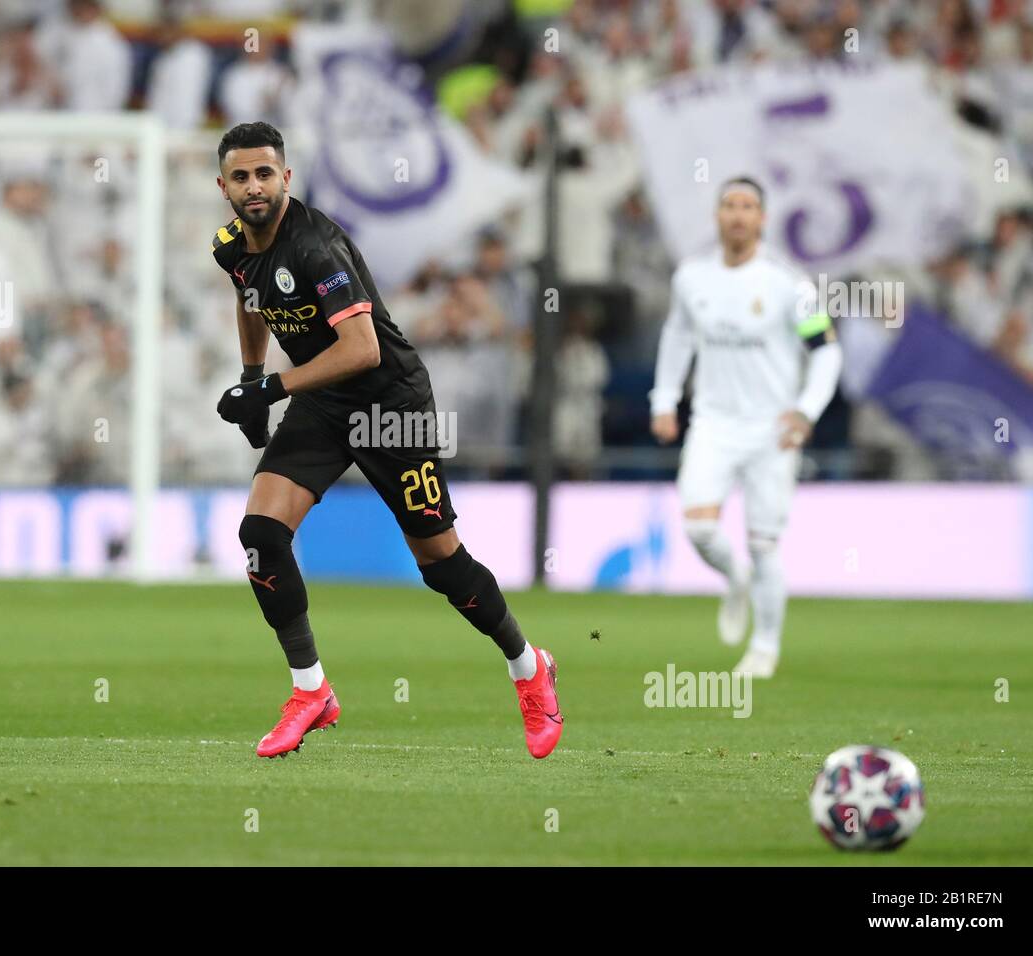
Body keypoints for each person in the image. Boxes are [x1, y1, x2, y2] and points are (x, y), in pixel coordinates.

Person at [209, 122, 562, 759]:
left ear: (286, 178)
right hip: (322, 402)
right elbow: (251, 297)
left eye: (266, 174)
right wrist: (252, 375)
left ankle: (529, 666)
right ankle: (310, 689)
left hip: (388, 402)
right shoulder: (232, 245)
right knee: (260, 534)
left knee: (443, 566)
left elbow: (362, 348)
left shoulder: (316, 248)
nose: (254, 186)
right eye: (241, 176)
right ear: (224, 186)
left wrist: (272, 390)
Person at [649, 177, 843, 678]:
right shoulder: (691, 278)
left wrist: (806, 411)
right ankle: (735, 580)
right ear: (717, 216)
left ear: (762, 219)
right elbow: (677, 336)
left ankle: (765, 647)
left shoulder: (788, 283)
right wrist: (665, 399)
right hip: (713, 422)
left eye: (748, 206)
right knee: (698, 526)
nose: (738, 215)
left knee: (764, 544)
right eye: (730, 205)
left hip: (770, 429)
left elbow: (826, 351)